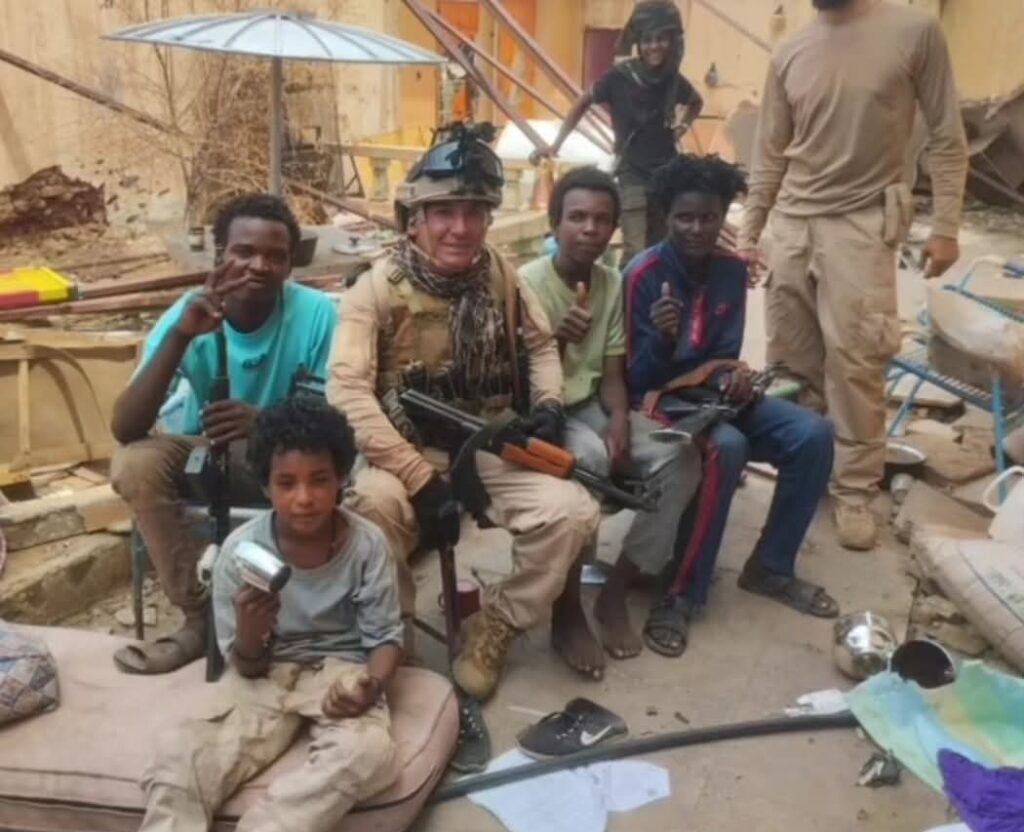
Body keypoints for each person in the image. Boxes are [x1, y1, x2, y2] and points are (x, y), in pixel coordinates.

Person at [328, 125, 601, 700]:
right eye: (444, 213)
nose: (460, 227)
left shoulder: (499, 274)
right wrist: (420, 479)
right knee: (372, 509)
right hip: (404, 451)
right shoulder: (375, 290)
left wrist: (548, 404)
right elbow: (348, 392)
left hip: (487, 444)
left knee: (574, 511)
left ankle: (495, 623)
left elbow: (540, 346)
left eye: (474, 212)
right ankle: (390, 640)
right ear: (416, 219)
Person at [739, 0, 969, 550]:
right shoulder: (790, 51)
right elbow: (769, 151)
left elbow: (947, 135)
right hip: (792, 225)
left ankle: (854, 491)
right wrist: (751, 232)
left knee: (857, 364)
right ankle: (806, 472)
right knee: (791, 364)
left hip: (862, 224)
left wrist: (946, 227)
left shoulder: (914, 31)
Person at [138, 398, 401, 832]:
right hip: (264, 672)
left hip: (341, 670)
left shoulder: (368, 545)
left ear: (341, 478)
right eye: (286, 483)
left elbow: (386, 639)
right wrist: (250, 632)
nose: (304, 498)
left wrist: (371, 685)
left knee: (368, 754)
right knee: (180, 759)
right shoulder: (240, 553)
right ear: (265, 486)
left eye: (320, 480)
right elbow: (245, 667)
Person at [108, 194, 338, 675]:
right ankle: (202, 618)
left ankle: (306, 620)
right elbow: (125, 428)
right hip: (213, 458)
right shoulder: (187, 314)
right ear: (219, 255)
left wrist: (266, 423)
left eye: (275, 256)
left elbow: (336, 426)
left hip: (291, 462)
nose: (259, 266)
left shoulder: (319, 315)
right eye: (244, 252)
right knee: (135, 462)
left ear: (290, 265)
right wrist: (181, 336)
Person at [626, 154, 839, 655]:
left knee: (813, 434)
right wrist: (662, 338)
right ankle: (681, 594)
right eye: (684, 217)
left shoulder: (730, 270)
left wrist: (734, 379)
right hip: (659, 402)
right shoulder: (643, 274)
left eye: (708, 216)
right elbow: (635, 378)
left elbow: (724, 352)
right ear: (666, 216)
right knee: (727, 447)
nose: (697, 228)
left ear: (724, 215)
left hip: (712, 397)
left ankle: (771, 566)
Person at [519, 166, 701, 659]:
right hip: (544, 412)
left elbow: (613, 372)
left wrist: (620, 421)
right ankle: (567, 606)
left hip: (593, 406)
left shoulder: (610, 282)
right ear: (554, 224)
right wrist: (558, 340)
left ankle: (616, 590)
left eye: (601, 220)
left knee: (682, 457)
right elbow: (518, 382)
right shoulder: (526, 284)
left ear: (614, 229)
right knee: (590, 462)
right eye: (577, 217)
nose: (589, 229)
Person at [535, 0, 703, 267]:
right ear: (638, 43)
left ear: (672, 42)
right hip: (632, 173)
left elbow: (695, 102)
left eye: (661, 39)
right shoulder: (620, 76)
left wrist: (681, 127)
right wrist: (555, 145)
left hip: (665, 174)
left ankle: (655, 292)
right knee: (635, 250)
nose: (654, 46)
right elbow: (583, 102)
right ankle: (628, 293)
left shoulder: (672, 79)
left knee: (661, 247)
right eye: (647, 40)